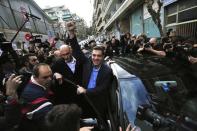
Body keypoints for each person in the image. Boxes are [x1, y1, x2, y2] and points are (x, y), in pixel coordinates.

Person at [65, 21, 113, 119]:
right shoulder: (87, 63)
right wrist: (71, 33)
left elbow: (102, 89)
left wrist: (86, 91)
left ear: (103, 57)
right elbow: (77, 49)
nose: (95, 58)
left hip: (97, 104)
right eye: (94, 55)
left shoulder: (107, 71)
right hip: (84, 100)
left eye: (99, 56)